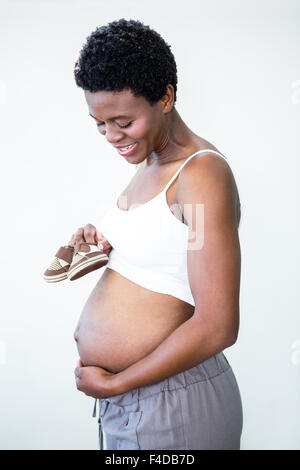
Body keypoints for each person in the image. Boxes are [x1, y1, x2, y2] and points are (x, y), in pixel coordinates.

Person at [72, 18, 243, 450]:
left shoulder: (200, 173)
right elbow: (161, 251)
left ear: (165, 97)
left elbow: (218, 324)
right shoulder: (150, 165)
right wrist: (98, 239)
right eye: (99, 123)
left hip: (172, 402)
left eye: (123, 122)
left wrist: (118, 383)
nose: (112, 136)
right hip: (139, 402)